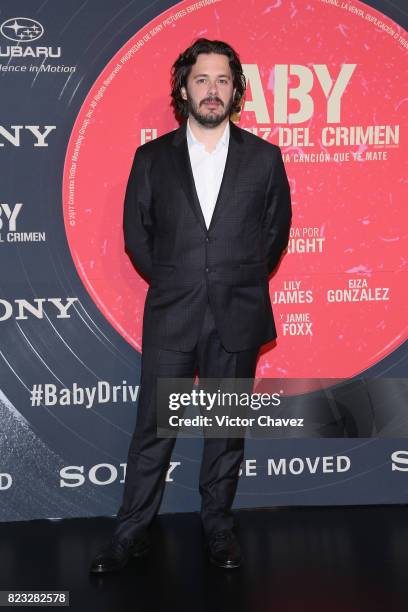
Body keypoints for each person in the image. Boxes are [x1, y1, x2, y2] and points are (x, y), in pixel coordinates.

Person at [90, 37, 292, 573]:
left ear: (236, 90)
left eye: (222, 80)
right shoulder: (151, 158)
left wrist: (231, 278)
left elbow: (273, 236)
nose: (212, 90)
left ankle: (219, 529)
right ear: (183, 88)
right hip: (172, 313)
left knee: (226, 432)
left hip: (237, 313)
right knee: (154, 428)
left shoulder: (265, 159)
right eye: (201, 79)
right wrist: (181, 281)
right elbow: (139, 236)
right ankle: (130, 531)